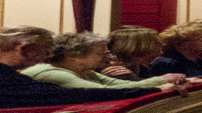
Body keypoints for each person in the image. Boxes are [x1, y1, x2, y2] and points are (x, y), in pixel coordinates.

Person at [0, 26, 163, 107]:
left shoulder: (11, 74)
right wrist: (157, 89)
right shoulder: (47, 72)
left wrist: (156, 86)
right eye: (44, 50)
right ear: (25, 49)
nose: (48, 55)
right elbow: (76, 95)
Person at [23, 31, 189, 92]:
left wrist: (163, 81)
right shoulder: (54, 74)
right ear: (74, 56)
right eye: (100, 52)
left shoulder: (86, 72)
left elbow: (115, 84)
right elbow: (106, 92)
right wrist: (161, 81)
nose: (107, 56)